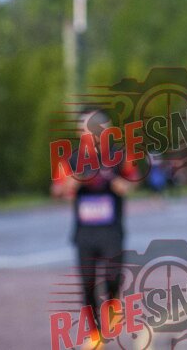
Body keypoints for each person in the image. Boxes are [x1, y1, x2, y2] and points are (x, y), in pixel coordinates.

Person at [51, 109, 136, 348]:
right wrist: (71, 183)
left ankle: (113, 302)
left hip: (112, 230)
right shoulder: (71, 159)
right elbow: (57, 190)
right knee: (87, 284)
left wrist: (123, 185)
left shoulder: (119, 155)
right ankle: (95, 333)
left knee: (112, 276)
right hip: (84, 233)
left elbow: (132, 180)